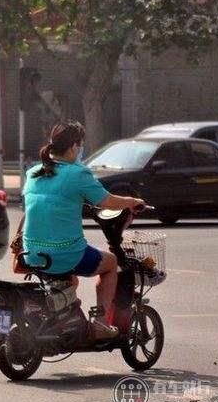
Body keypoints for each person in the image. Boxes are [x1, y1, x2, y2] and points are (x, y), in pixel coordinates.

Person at [22, 120, 145, 339]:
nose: (81, 150)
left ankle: (67, 319)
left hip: (31, 252)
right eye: (80, 145)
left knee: (72, 279)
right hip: (65, 252)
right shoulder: (78, 174)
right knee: (110, 263)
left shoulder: (33, 172)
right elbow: (106, 201)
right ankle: (100, 324)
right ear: (73, 147)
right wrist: (132, 201)